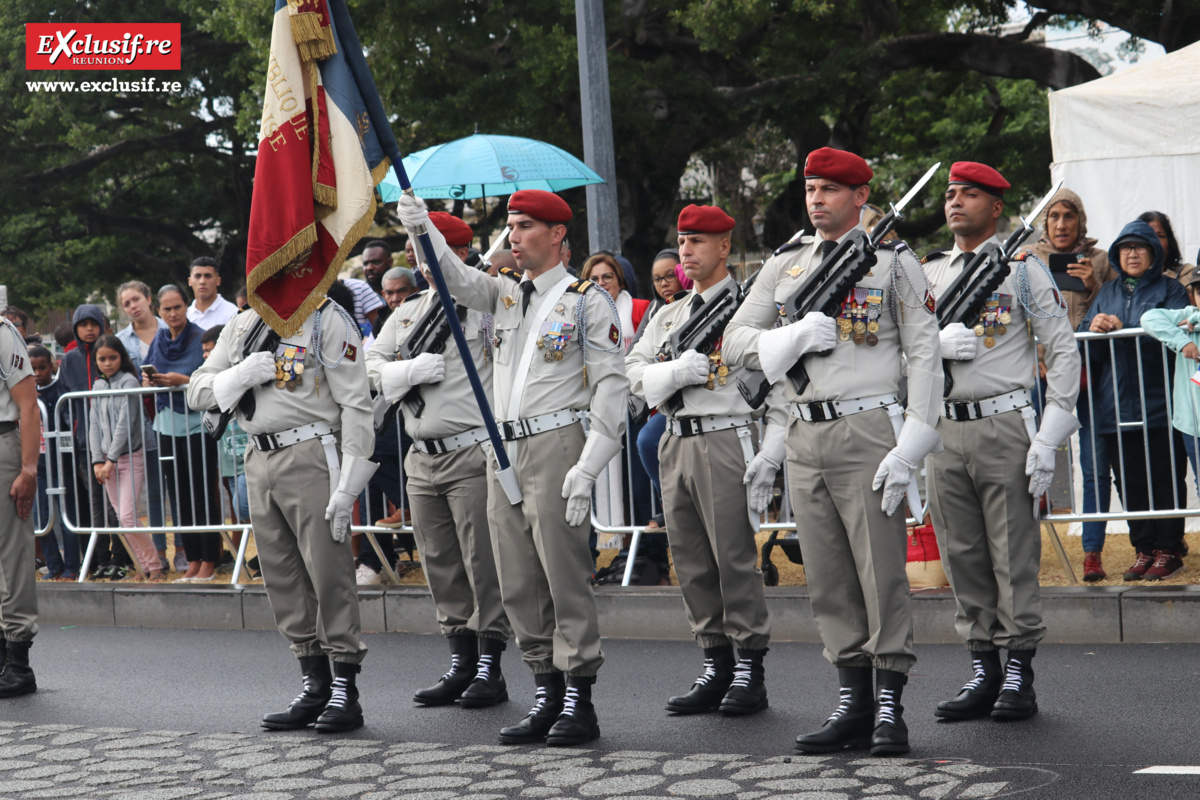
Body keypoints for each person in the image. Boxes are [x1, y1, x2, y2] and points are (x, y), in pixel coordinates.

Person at [723, 147, 944, 756]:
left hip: (867, 428)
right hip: (802, 431)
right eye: (810, 189)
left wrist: (912, 444)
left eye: (828, 190)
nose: (816, 199)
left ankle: (890, 706)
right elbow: (735, 337)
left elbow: (924, 353)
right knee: (825, 575)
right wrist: (786, 337)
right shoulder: (787, 264)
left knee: (880, 573)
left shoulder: (894, 262)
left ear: (859, 198)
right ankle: (852, 701)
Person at [398, 188, 628, 747]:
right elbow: (452, 277)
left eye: (524, 227)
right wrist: (421, 228)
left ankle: (579, 698)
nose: (513, 238)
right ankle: (546, 691)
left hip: (555, 444)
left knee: (563, 575)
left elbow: (612, 387)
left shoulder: (584, 300)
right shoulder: (503, 295)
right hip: (502, 451)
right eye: (511, 227)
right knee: (518, 578)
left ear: (556, 236)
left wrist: (591, 463)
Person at [924, 163, 1081, 724]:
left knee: (1012, 552)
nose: (955, 202)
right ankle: (983, 666)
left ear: (995, 208)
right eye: (950, 194)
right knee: (961, 553)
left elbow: (1061, 350)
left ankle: (1019, 670)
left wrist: (1050, 433)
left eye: (969, 195)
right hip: (942, 427)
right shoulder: (930, 273)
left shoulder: (1022, 272)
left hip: (1002, 424)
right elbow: (901, 353)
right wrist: (935, 346)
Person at [187, 289, 375, 734]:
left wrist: (349, 484)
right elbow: (198, 389)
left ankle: (345, 686)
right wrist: (236, 377)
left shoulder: (326, 318)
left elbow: (356, 402)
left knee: (328, 572)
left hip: (311, 451)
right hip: (258, 456)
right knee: (282, 575)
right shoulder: (243, 324)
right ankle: (314, 682)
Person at [627, 203, 784, 717]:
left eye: (698, 242)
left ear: (724, 247)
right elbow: (631, 370)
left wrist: (770, 451)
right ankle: (714, 663)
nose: (687, 252)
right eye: (683, 241)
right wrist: (671, 374)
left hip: (723, 438)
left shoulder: (748, 309)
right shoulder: (669, 314)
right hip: (675, 438)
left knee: (733, 559)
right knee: (691, 560)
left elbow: (777, 379)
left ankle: (749, 669)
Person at [367, 208, 511, 709]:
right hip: (420, 456)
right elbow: (371, 363)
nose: (418, 263)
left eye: (425, 251)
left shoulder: (489, 306)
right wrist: (403, 373)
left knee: (482, 562)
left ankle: (491, 665)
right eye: (414, 253)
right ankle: (460, 661)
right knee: (439, 563)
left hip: (471, 449)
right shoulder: (407, 312)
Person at [1081, 220, 1190, 583]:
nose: (1131, 253)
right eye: (1125, 247)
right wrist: (1093, 329)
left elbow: (1175, 338)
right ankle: (1143, 548)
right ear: (1116, 254)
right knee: (1128, 481)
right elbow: (1084, 343)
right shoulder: (1107, 292)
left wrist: (1126, 333)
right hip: (1116, 406)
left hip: (1160, 404)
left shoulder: (1171, 289)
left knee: (1165, 477)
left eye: (1139, 247)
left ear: (1154, 252)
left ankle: (1168, 549)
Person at [1023, 189, 1115, 581]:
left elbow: (1113, 311)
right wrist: (1034, 354)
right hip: (1040, 374)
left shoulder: (1100, 259)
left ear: (1081, 221)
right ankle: (1026, 546)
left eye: (1069, 216)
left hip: (1089, 372)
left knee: (1094, 463)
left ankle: (1092, 551)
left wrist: (1094, 285)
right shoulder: (1026, 258)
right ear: (1044, 222)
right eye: (1054, 216)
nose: (1061, 224)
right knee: (1026, 460)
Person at [145, 285, 222, 582]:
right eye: (167, 309)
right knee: (180, 496)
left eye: (178, 307)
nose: (173, 314)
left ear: (186, 306)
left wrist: (184, 381)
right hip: (166, 425)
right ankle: (192, 559)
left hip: (196, 424)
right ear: (159, 312)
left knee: (203, 493)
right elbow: (152, 372)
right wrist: (150, 380)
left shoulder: (199, 336)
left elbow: (212, 376)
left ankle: (209, 562)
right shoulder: (160, 339)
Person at [88, 335, 161, 581]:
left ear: (121, 357)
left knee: (128, 516)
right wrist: (97, 460)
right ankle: (144, 567)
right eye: (102, 359)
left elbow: (124, 424)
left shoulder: (130, 382)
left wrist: (109, 460)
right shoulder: (98, 386)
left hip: (130, 457)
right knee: (122, 519)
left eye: (112, 357)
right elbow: (94, 424)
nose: (107, 363)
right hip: (107, 462)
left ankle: (155, 566)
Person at [59, 304, 124, 578]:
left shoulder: (111, 353)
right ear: (75, 327)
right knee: (94, 504)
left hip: (114, 444)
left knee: (116, 505)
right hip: (85, 444)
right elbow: (63, 401)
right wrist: (73, 431)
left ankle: (121, 558)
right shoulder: (69, 359)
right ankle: (98, 559)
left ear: (102, 325)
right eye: (83, 324)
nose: (88, 329)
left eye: (93, 323)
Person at [116, 280, 169, 567]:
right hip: (142, 421)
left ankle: (186, 548)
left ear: (149, 299)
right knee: (154, 489)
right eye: (126, 303)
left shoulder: (170, 327)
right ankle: (159, 549)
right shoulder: (122, 340)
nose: (133, 306)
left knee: (180, 482)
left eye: (136, 299)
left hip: (174, 414)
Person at [0, 316, 40, 697]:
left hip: (3, 445)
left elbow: (29, 406)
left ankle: (18, 660)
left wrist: (29, 469)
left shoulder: (2, 333)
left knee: (11, 555)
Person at [1141, 273, 1200, 498]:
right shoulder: (1188, 314)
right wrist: (1182, 340)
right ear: (1193, 297)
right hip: (1193, 423)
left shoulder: (1193, 319)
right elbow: (1148, 318)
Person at [29, 344, 77, 581]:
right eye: (32, 368)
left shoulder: (60, 389)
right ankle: (53, 565)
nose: (37, 373)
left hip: (62, 464)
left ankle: (72, 566)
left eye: (42, 367)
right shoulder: (25, 392)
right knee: (40, 518)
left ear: (52, 366)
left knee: (67, 517)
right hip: (38, 466)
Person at [1139, 211, 1192, 284]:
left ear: (1170, 242)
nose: (1155, 241)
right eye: (1148, 235)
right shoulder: (1123, 281)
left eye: (1160, 236)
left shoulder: (1189, 275)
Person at [186, 257, 239, 330]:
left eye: (208, 276)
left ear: (218, 281)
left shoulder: (232, 313)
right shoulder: (185, 315)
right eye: (197, 276)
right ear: (190, 281)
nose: (202, 281)